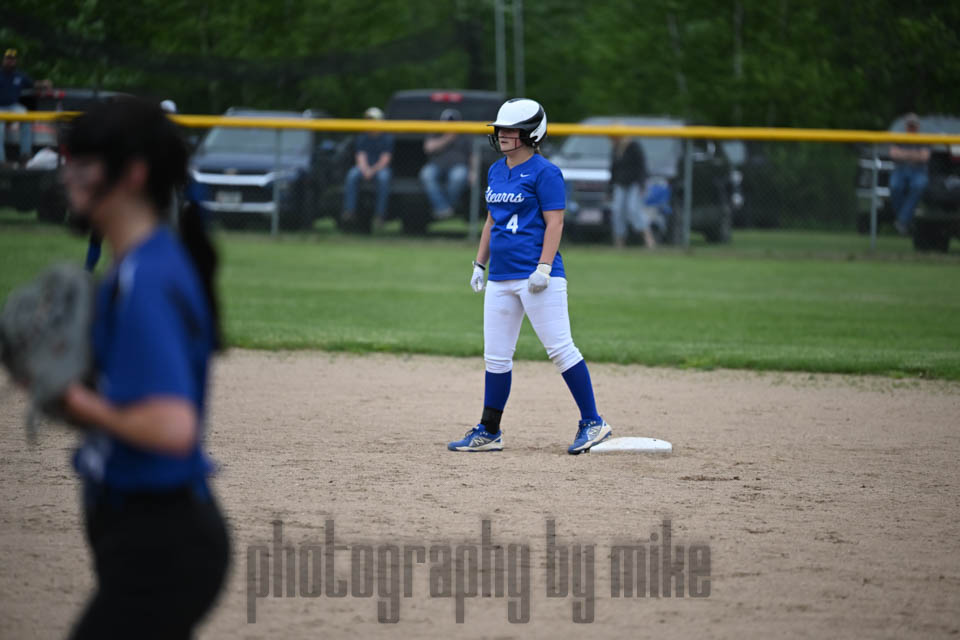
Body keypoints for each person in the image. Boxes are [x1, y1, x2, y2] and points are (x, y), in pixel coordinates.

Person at [59, 97, 229, 639]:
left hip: (160, 539)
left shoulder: (147, 279)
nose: (69, 178)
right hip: (143, 531)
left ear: (133, 174)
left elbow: (171, 428)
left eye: (85, 166)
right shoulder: (134, 265)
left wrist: (70, 398)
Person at [449, 98, 613, 455]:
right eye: (500, 129)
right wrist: (479, 264)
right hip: (501, 276)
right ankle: (489, 430)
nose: (502, 135)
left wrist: (543, 267)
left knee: (560, 349)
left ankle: (593, 422)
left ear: (531, 134)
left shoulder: (545, 172)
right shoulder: (496, 170)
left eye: (510, 130)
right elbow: (491, 221)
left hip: (537, 275)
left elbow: (555, 222)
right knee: (496, 357)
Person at [342, 106, 393, 229]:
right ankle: (349, 211)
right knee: (352, 175)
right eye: (368, 119)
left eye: (372, 119)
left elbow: (385, 160)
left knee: (384, 178)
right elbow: (360, 156)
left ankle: (380, 215)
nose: (369, 122)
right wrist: (365, 169)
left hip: (379, 168)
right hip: (364, 167)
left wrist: (372, 170)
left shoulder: (387, 137)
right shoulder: (362, 137)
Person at [419, 108, 472, 220]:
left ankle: (447, 207)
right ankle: (444, 208)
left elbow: (473, 155)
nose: (451, 124)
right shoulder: (436, 132)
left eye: (453, 121)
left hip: (459, 166)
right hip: (437, 165)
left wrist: (473, 172)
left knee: (458, 177)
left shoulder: (465, 133)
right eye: (448, 121)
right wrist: (447, 138)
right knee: (426, 174)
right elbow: (428, 148)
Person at [609, 131, 655, 249]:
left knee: (633, 209)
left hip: (635, 184)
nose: (612, 140)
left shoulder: (634, 146)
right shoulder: (615, 149)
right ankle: (619, 243)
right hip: (620, 184)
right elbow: (613, 170)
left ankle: (648, 239)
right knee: (617, 211)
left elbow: (642, 166)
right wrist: (609, 189)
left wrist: (642, 185)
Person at [888, 113, 930, 235]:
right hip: (901, 170)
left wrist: (904, 154)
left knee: (918, 185)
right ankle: (905, 219)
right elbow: (893, 154)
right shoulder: (900, 138)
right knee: (895, 186)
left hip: (918, 171)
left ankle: (902, 220)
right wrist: (914, 155)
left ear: (918, 126)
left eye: (913, 126)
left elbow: (924, 157)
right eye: (909, 126)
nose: (911, 128)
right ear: (906, 126)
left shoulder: (924, 139)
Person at [0, 49, 35, 166]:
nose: (10, 62)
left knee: (26, 117)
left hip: (13, 107)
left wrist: (44, 84)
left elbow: (33, 84)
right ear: (3, 60)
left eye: (12, 59)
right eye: (8, 59)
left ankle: (25, 155)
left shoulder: (19, 76)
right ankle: (1, 161)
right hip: (0, 108)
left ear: (15, 61)